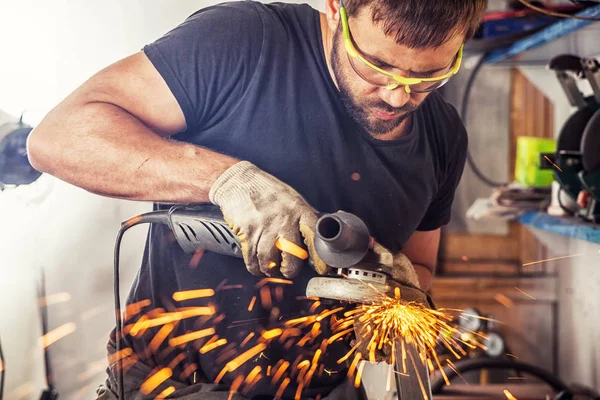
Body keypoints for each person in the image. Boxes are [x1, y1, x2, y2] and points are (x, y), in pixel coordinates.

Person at [27, 0, 487, 398]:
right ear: (337, 9)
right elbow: (58, 138)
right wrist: (226, 180)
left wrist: (395, 293)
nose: (397, 94)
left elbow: (419, 268)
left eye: (428, 76)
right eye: (376, 66)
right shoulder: (246, 43)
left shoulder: (443, 136)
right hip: (173, 388)